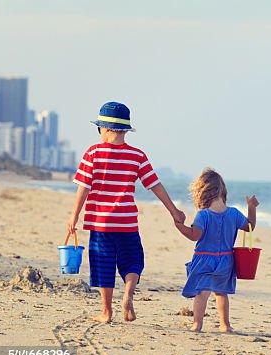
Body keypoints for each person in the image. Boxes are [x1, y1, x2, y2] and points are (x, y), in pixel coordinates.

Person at [67, 101, 186, 323]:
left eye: (99, 127)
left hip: (100, 224)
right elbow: (155, 185)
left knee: (103, 265)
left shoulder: (93, 153)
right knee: (132, 261)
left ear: (107, 128)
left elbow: (83, 186)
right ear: (124, 129)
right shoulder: (137, 156)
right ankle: (128, 295)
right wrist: (174, 211)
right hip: (127, 223)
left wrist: (74, 216)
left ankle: (106, 311)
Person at [173, 168, 258, 332]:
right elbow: (250, 227)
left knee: (202, 293)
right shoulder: (233, 213)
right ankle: (225, 325)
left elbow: (194, 236)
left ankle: (197, 324)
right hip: (226, 260)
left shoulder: (203, 215)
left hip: (205, 260)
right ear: (222, 192)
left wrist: (179, 227)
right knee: (221, 293)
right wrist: (251, 207)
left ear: (202, 193)